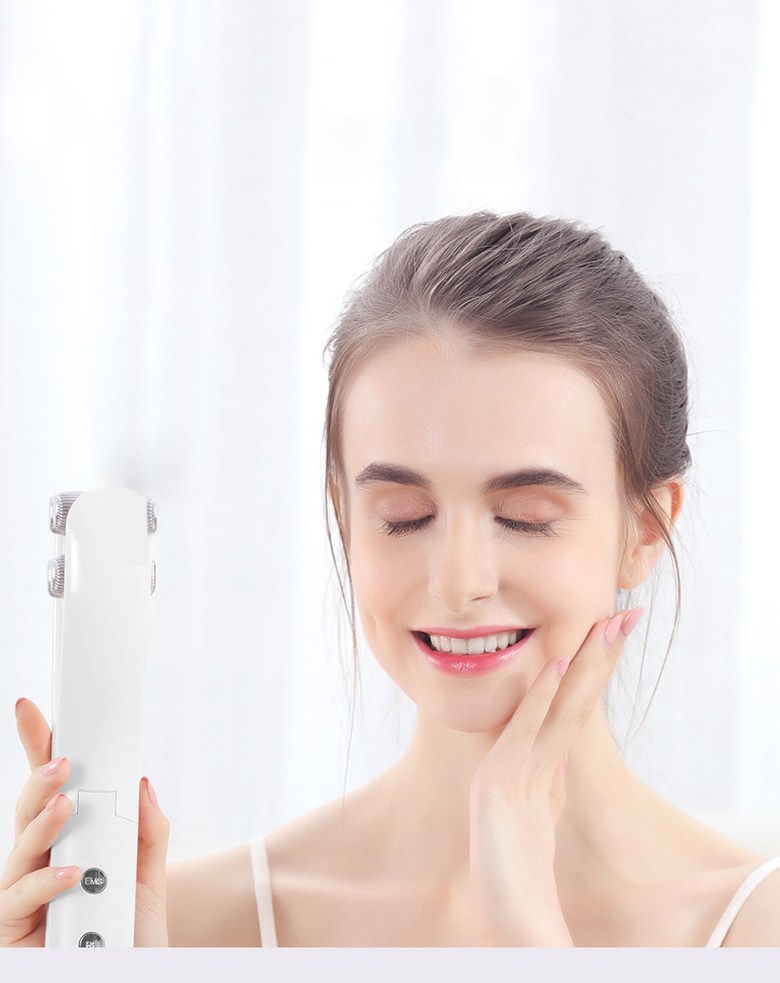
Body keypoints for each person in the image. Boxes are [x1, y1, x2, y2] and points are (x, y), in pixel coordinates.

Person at [3, 210, 779, 947]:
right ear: (344, 514)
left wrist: (531, 940)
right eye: (405, 517)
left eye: (526, 516)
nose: (459, 581)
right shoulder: (181, 924)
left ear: (644, 527)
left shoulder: (754, 929)